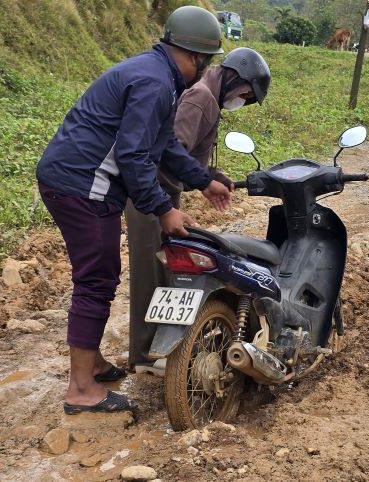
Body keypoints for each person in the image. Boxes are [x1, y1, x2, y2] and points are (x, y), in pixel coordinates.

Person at [35, 6, 231, 415]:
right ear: (194, 57)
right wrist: (164, 209)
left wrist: (203, 180)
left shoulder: (157, 75)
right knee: (96, 280)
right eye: (205, 62)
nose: (203, 70)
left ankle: (91, 364)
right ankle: (81, 389)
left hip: (74, 179)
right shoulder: (156, 83)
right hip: (83, 185)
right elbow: (133, 155)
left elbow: (165, 145)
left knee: (100, 275)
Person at [126, 48, 271, 372]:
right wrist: (171, 201)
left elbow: (184, 156)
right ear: (236, 78)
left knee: (165, 272)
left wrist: (210, 177)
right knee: (150, 274)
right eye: (246, 94)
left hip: (163, 195)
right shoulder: (200, 98)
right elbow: (168, 151)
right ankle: (144, 356)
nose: (243, 101)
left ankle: (160, 349)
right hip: (151, 195)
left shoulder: (207, 97)